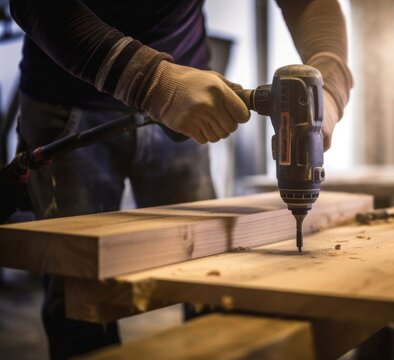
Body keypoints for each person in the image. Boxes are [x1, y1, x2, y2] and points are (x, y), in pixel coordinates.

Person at [9, 0, 353, 358]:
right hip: (69, 96)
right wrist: (154, 83)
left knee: (210, 273)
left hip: (187, 106)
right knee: (78, 295)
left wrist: (329, 89)